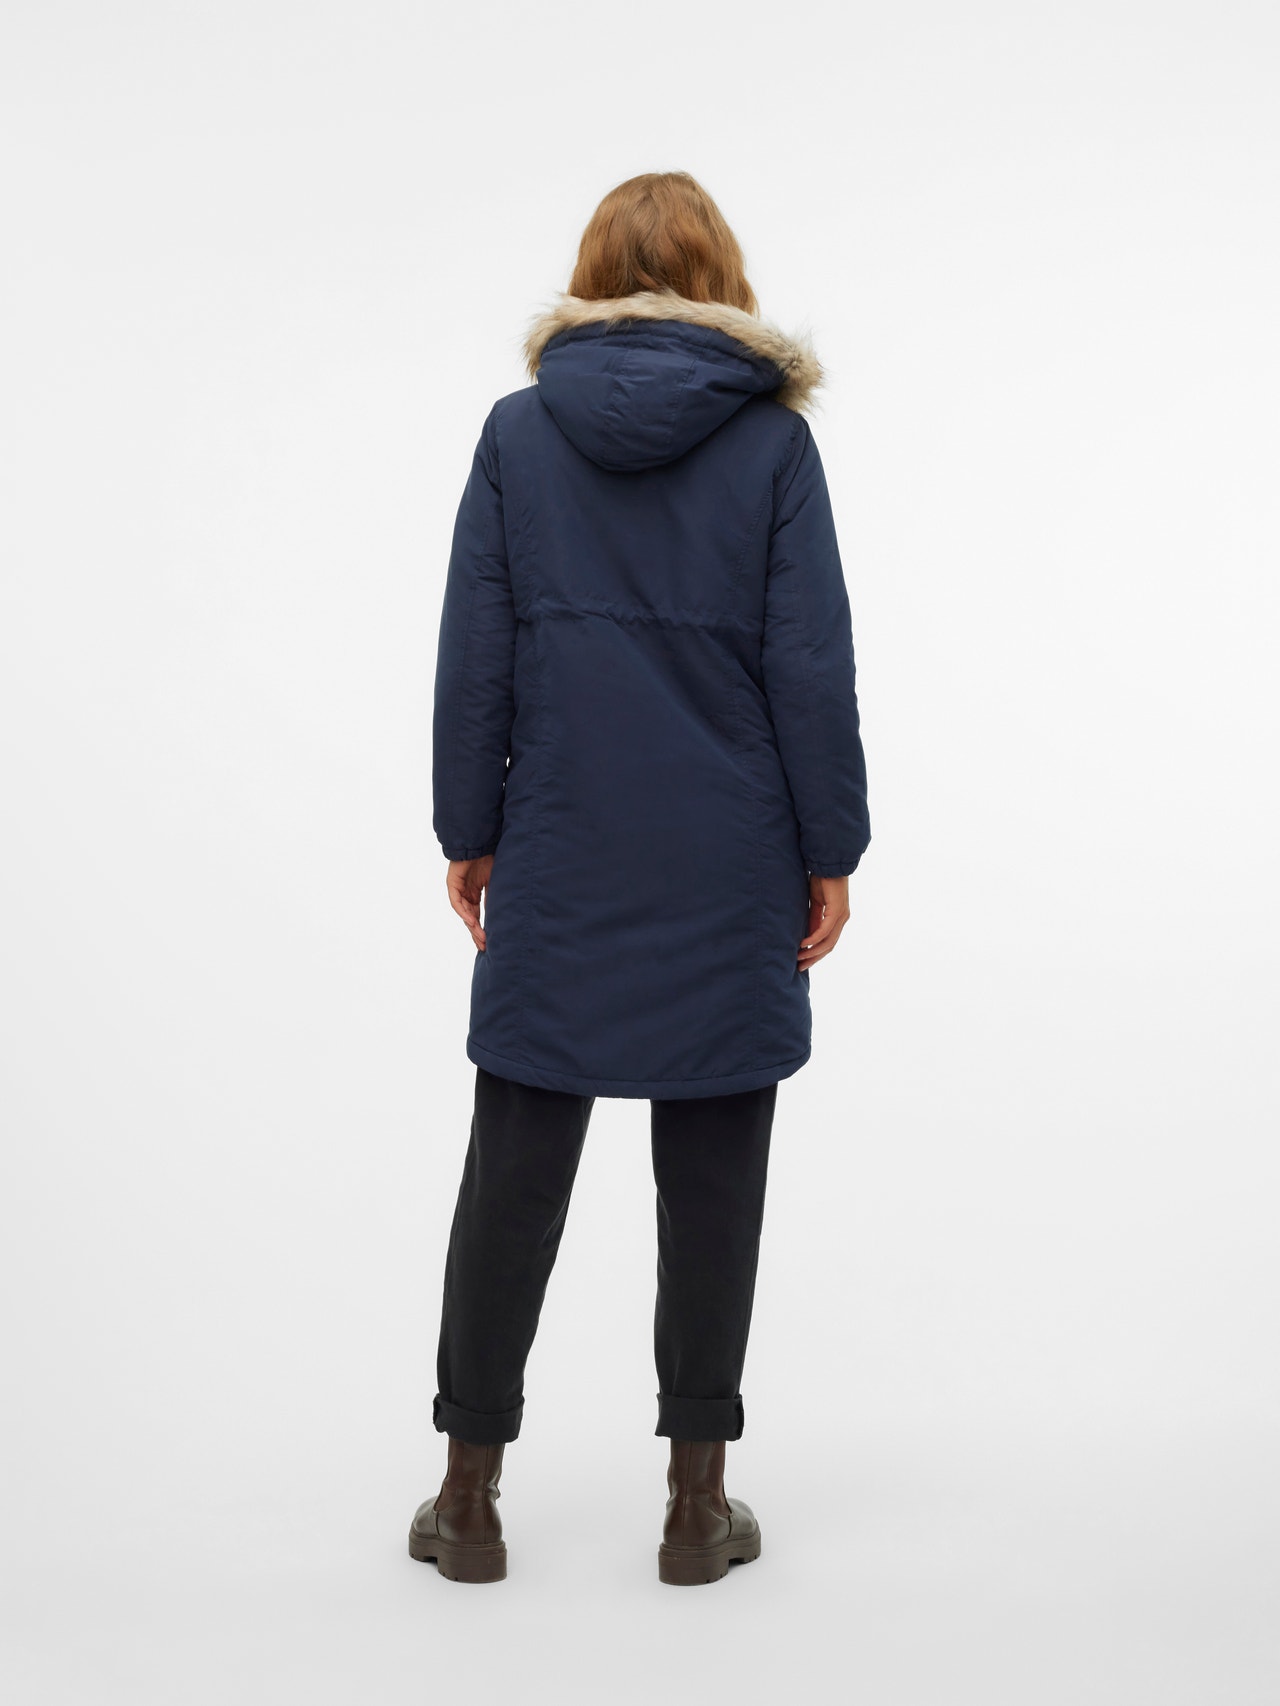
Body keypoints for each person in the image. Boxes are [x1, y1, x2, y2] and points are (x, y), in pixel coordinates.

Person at [408, 171, 871, 1586]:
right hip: (728, 852)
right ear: (720, 277)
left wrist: (468, 828)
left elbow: (475, 651)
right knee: (715, 1172)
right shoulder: (773, 445)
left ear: (593, 274)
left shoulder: (518, 434)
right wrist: (830, 850)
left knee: (513, 1170)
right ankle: (694, 1506)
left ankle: (468, 1499)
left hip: (560, 839)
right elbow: (810, 666)